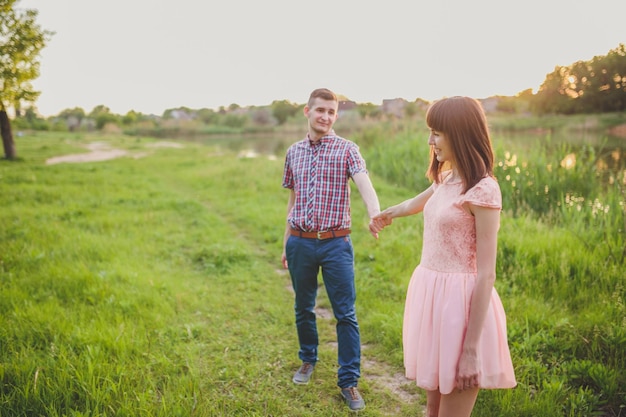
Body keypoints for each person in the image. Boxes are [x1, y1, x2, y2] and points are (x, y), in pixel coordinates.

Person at [372, 96, 516, 417]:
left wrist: (470, 350)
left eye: (437, 132)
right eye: (430, 132)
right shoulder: (448, 179)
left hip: (462, 311)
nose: (430, 140)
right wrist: (386, 214)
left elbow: (486, 274)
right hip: (435, 302)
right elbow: (416, 203)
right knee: (432, 410)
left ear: (460, 132)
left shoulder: (482, 190)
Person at [281, 88, 381, 412]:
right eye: (320, 110)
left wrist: (374, 213)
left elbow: (364, 183)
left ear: (336, 116)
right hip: (299, 241)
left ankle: (349, 381)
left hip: (336, 243)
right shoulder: (293, 152)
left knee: (345, 314)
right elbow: (292, 201)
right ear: (307, 111)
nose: (325, 116)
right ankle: (308, 360)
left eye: (331, 112)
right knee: (303, 307)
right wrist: (286, 242)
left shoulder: (347, 150)